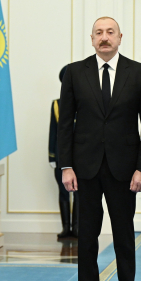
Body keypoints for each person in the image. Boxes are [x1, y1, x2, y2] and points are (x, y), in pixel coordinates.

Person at [58, 17, 141, 281]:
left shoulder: (139, 73)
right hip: (85, 168)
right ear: (91, 39)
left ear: (120, 37)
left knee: (124, 235)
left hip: (124, 170)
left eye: (109, 32)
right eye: (99, 33)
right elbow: (65, 125)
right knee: (86, 237)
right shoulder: (75, 73)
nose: (104, 37)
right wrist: (66, 166)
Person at [49, 65, 78, 240]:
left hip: (82, 157)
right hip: (62, 157)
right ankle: (65, 227)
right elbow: (54, 131)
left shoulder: (85, 102)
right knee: (63, 192)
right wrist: (52, 155)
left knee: (80, 194)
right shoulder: (57, 104)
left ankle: (77, 228)